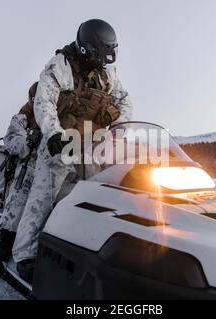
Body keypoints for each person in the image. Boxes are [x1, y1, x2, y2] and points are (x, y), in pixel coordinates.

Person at [11, 19, 132, 282]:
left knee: (96, 196)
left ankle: (87, 244)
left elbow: (124, 101)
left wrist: (119, 129)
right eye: (103, 52)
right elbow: (44, 102)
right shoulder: (59, 67)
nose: (106, 59)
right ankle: (25, 255)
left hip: (93, 145)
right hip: (61, 143)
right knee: (43, 197)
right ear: (88, 48)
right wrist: (53, 133)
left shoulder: (106, 74)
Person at [0, 82, 42, 262]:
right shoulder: (23, 117)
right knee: (19, 198)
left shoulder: (56, 116)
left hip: (53, 167)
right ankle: (5, 239)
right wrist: (28, 141)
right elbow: (11, 139)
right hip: (27, 166)